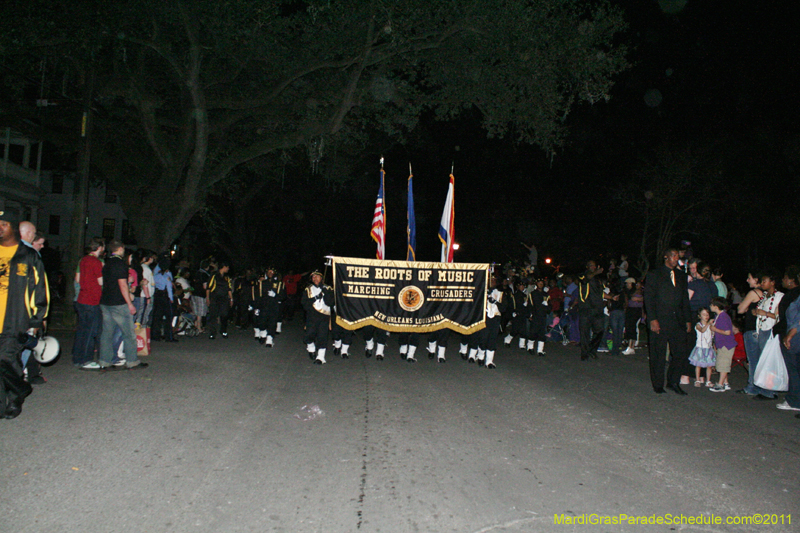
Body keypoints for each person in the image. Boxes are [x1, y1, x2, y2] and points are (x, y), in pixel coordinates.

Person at [0, 211, 50, 419]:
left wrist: (37, 319)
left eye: (4, 224)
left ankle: (18, 391)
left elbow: (40, 289)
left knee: (5, 359)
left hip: (14, 320)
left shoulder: (28, 255)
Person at [644, 248, 692, 395]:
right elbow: (649, 298)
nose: (676, 258)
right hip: (660, 319)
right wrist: (652, 319)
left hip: (677, 320)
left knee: (680, 352)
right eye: (673, 255)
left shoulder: (681, 275)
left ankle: (673, 381)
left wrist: (688, 319)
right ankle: (658, 384)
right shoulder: (654, 274)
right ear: (666, 257)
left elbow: (684, 299)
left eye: (677, 256)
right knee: (658, 353)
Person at [98, 240, 147, 370]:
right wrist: (130, 304)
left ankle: (104, 361)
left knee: (107, 334)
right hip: (118, 303)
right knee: (129, 334)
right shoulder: (120, 264)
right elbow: (122, 285)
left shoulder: (106, 263)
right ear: (120, 248)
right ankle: (132, 361)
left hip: (106, 301)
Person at [751, 269, 783, 400]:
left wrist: (763, 313)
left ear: (772, 282)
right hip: (761, 329)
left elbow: (778, 316)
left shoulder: (779, 296)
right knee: (762, 361)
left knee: (769, 362)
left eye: (765, 281)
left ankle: (769, 391)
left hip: (771, 330)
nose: (762, 283)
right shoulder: (764, 296)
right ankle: (763, 388)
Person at [74, 238, 105, 369]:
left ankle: (77, 357)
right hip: (92, 300)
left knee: (82, 330)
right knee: (91, 331)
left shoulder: (83, 260)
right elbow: (101, 282)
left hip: (81, 298)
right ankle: (86, 360)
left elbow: (77, 278)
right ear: (100, 248)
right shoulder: (96, 262)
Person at [576, 260, 609, 361]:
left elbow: (601, 293)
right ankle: (585, 353)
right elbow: (586, 279)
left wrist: (612, 297)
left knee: (600, 330)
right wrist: (596, 272)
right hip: (586, 308)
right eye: (591, 265)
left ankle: (592, 349)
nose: (593, 267)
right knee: (585, 332)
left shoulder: (598, 279)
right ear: (587, 267)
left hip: (597, 309)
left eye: (594, 266)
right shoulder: (582, 275)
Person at [302, 271, 334, 364]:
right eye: (313, 277)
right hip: (312, 315)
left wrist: (325, 293)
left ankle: (320, 357)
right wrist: (316, 298)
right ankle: (311, 348)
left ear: (321, 278)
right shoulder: (308, 289)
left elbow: (330, 303)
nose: (315, 279)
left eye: (317, 277)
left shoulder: (328, 288)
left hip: (324, 316)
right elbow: (304, 304)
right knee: (309, 334)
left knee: (322, 336)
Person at [709, 297, 735, 392]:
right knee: (722, 363)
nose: (710, 307)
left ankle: (720, 385)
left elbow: (727, 332)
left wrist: (715, 329)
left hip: (726, 344)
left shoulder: (723, 316)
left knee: (723, 364)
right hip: (722, 343)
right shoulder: (719, 316)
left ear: (716, 306)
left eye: (711, 305)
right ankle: (725, 383)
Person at [688, 308, 715, 387]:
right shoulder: (698, 325)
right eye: (704, 315)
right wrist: (708, 324)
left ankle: (708, 381)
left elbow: (712, 335)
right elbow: (702, 330)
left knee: (709, 365)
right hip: (700, 348)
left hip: (708, 348)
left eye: (707, 315)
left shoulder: (710, 325)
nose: (706, 316)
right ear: (699, 316)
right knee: (698, 365)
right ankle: (697, 379)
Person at [206, 261, 233, 340]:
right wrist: (207, 298)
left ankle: (223, 330)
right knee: (213, 315)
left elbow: (229, 288)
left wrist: (231, 299)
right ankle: (212, 332)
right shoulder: (214, 275)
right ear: (224, 267)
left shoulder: (226, 277)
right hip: (214, 297)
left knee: (224, 315)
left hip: (224, 298)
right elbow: (208, 287)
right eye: (227, 267)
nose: (228, 269)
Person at [622, 278, 643, 355]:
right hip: (630, 310)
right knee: (630, 327)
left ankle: (631, 347)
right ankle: (630, 346)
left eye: (629, 283)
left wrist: (639, 299)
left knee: (632, 327)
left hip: (635, 310)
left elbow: (642, 298)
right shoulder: (629, 291)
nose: (627, 285)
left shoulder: (638, 291)